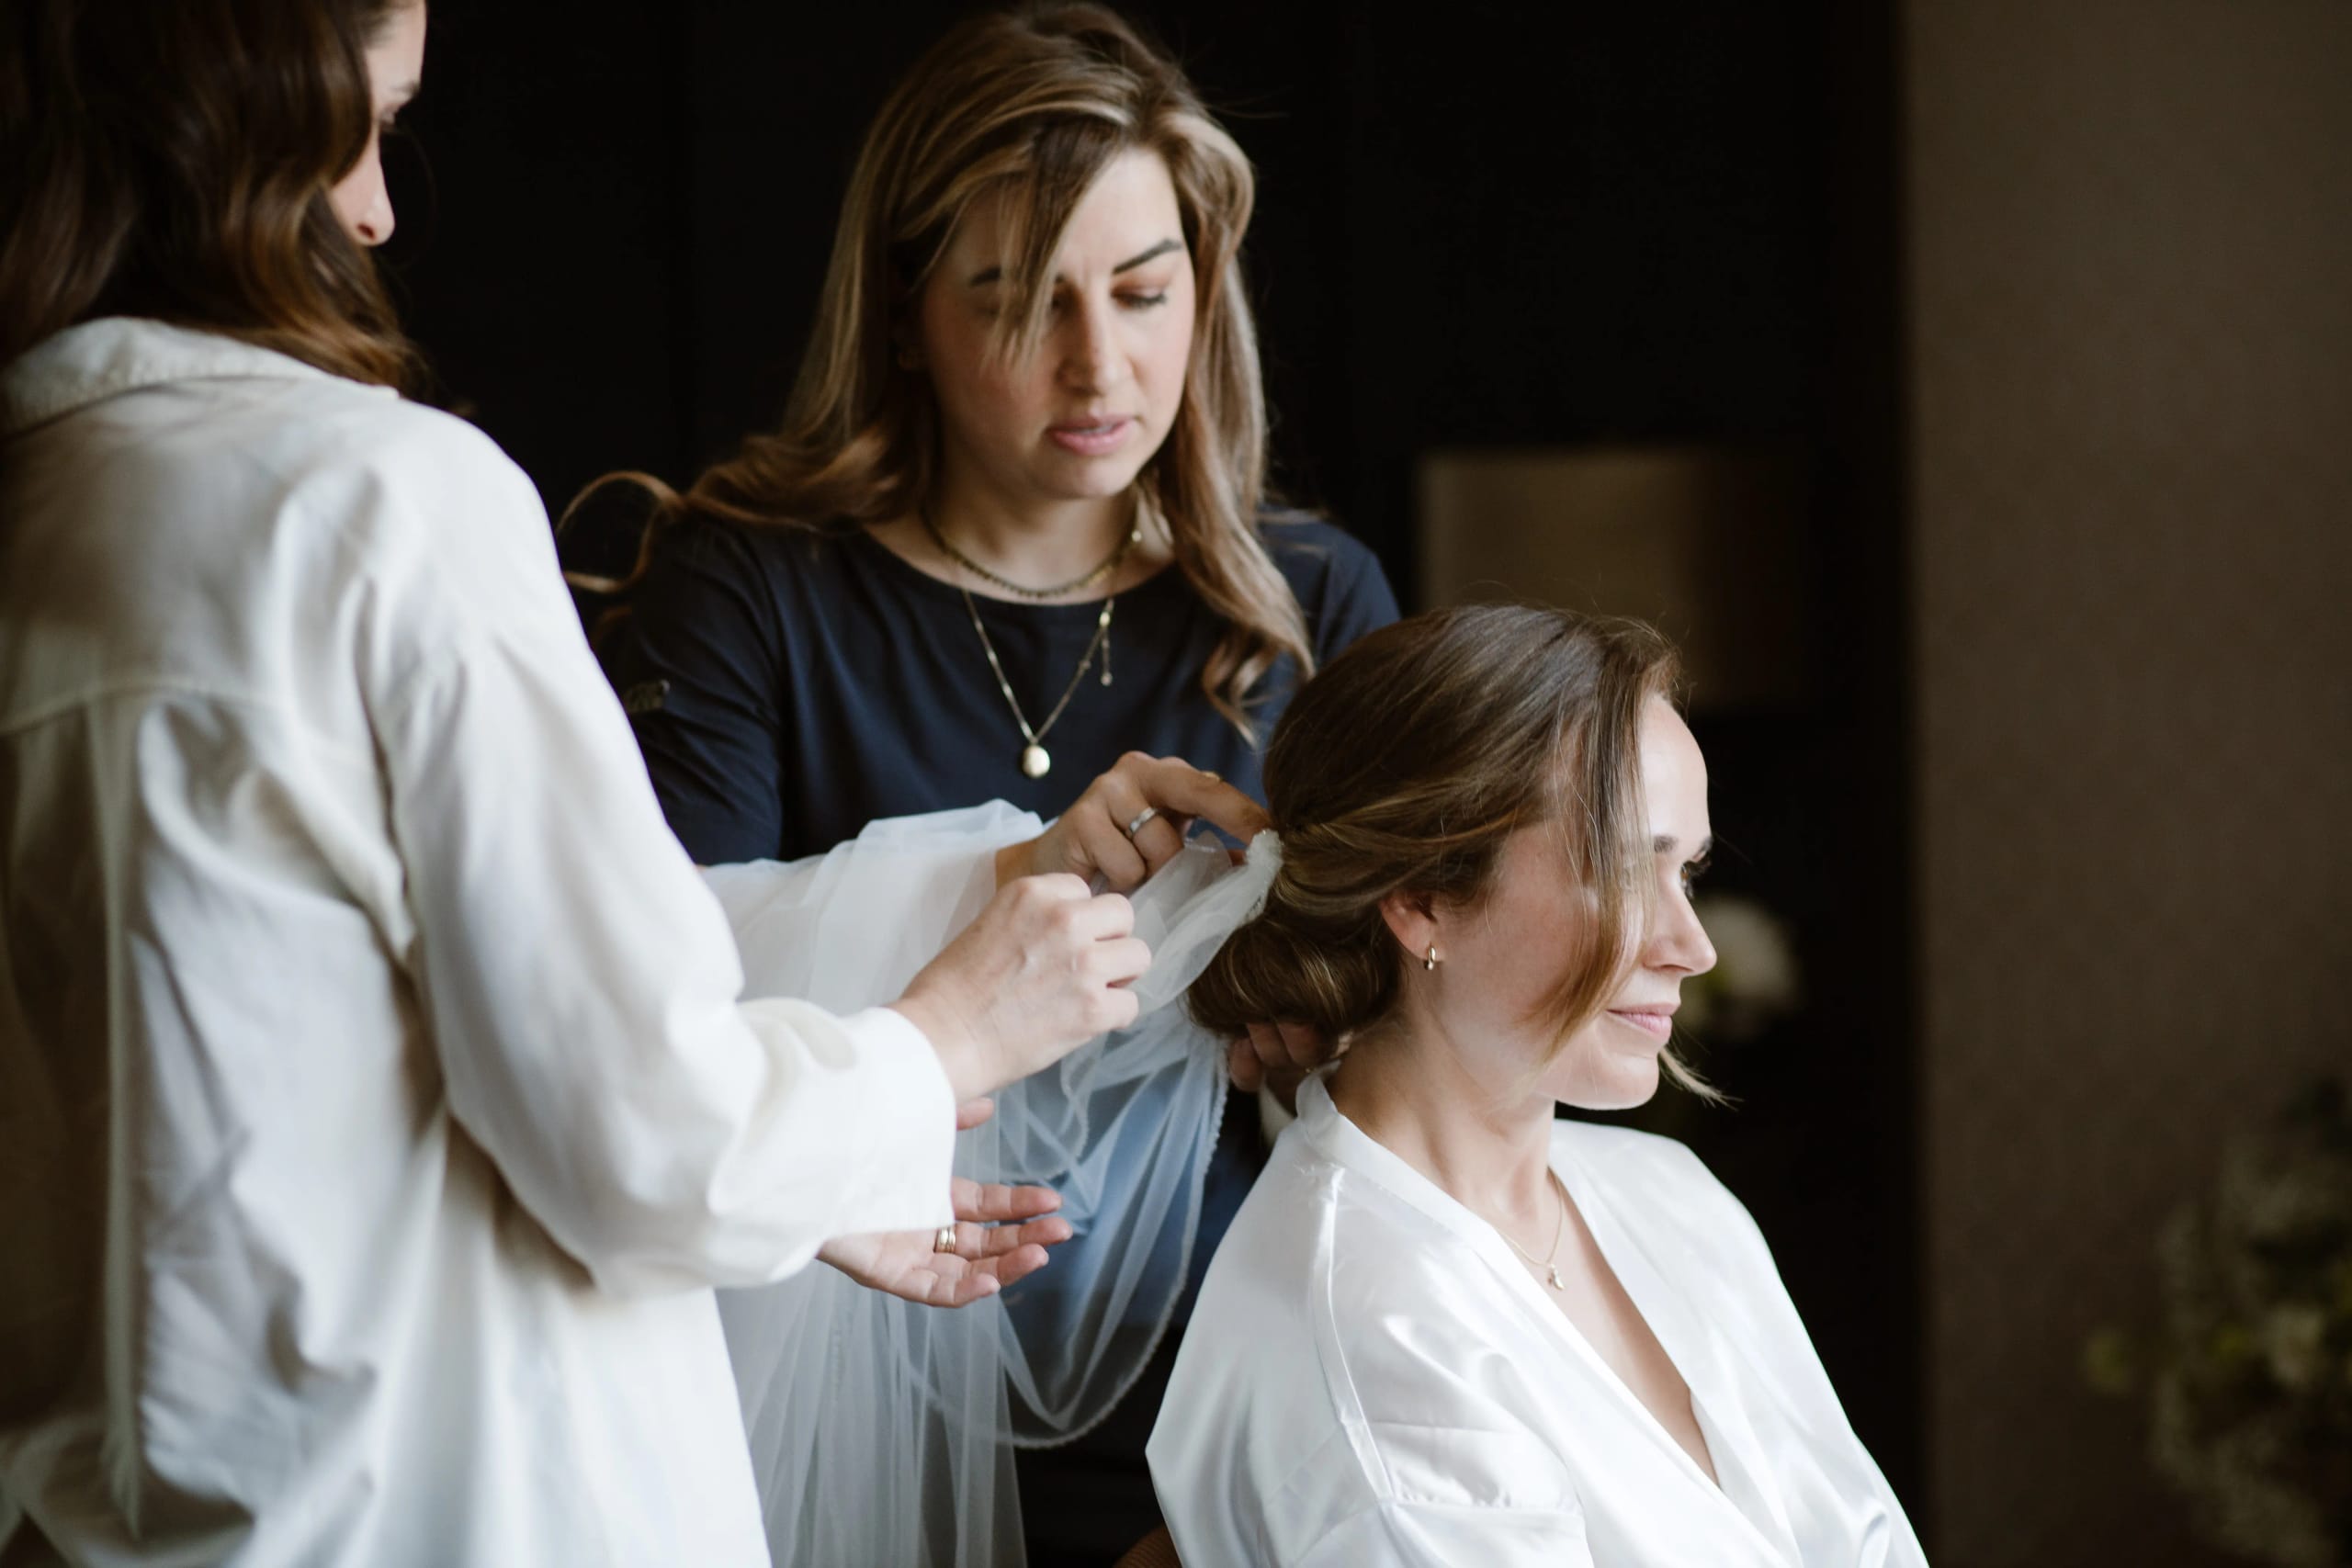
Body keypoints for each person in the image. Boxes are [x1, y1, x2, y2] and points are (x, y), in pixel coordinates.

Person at [0, 3, 1156, 1562]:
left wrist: (808, 1178)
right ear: (233, 101)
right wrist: (941, 1033)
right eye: (371, 118)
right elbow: (644, 1138)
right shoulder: (376, 507)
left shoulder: (44, 513)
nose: (376, 208)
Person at [576, 6, 1395, 1562]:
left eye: (1146, 291)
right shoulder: (749, 590)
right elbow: (656, 996)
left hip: (1231, 1400)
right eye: (1018, 298)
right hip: (836, 1361)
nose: (1101, 361)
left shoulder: (1307, 606)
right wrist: (995, 891)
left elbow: (1400, 1005)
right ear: (902, 313)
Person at [1148, 604, 1931, 1566]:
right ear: (1423, 896)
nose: (1694, 947)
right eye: (1623, 870)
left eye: (1687, 872)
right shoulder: (1375, 1340)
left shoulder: (1670, 1194)